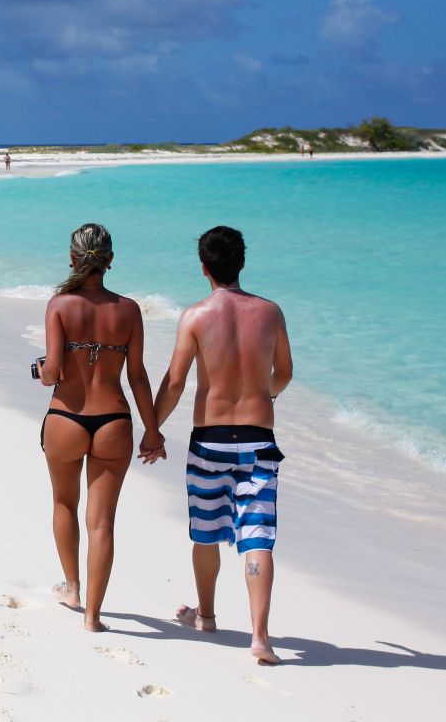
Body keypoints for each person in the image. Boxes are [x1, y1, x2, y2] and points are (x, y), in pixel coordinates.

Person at [151, 226, 294, 666]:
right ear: (242, 263)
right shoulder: (270, 313)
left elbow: (175, 382)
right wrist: (263, 394)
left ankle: (206, 615)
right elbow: (285, 373)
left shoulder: (195, 316)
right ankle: (260, 638)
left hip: (210, 441)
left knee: (207, 532)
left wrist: (152, 428)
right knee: (257, 539)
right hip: (258, 441)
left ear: (203, 268)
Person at [36, 223, 163, 632]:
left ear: (72, 258)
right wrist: (153, 429)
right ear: (110, 260)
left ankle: (72, 588)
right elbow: (138, 376)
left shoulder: (60, 305)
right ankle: (93, 616)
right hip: (114, 421)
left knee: (63, 504)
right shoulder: (128, 310)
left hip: (66, 418)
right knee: (102, 522)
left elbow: (53, 372)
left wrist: (41, 370)